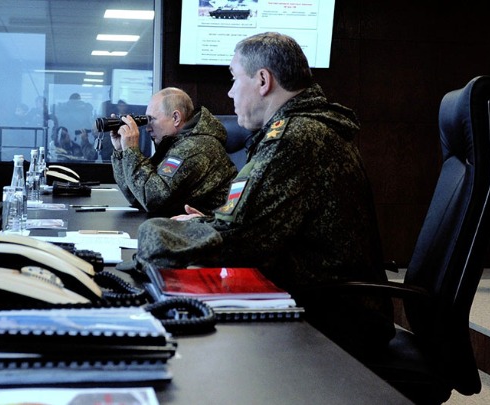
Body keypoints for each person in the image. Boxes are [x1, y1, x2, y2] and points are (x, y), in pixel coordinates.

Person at [132, 32, 395, 359]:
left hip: (334, 319)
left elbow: (239, 240)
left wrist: (161, 233)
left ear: (262, 80)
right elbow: (259, 225)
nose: (230, 92)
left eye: (233, 78)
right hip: (325, 300)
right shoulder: (305, 128)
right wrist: (212, 222)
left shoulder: (295, 137)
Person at [110, 87, 238, 216]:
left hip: (212, 226)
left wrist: (131, 151)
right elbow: (137, 195)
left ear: (176, 118)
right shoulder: (176, 143)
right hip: (191, 224)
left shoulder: (196, 147)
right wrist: (121, 151)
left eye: (152, 119)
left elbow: (152, 199)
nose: (148, 128)